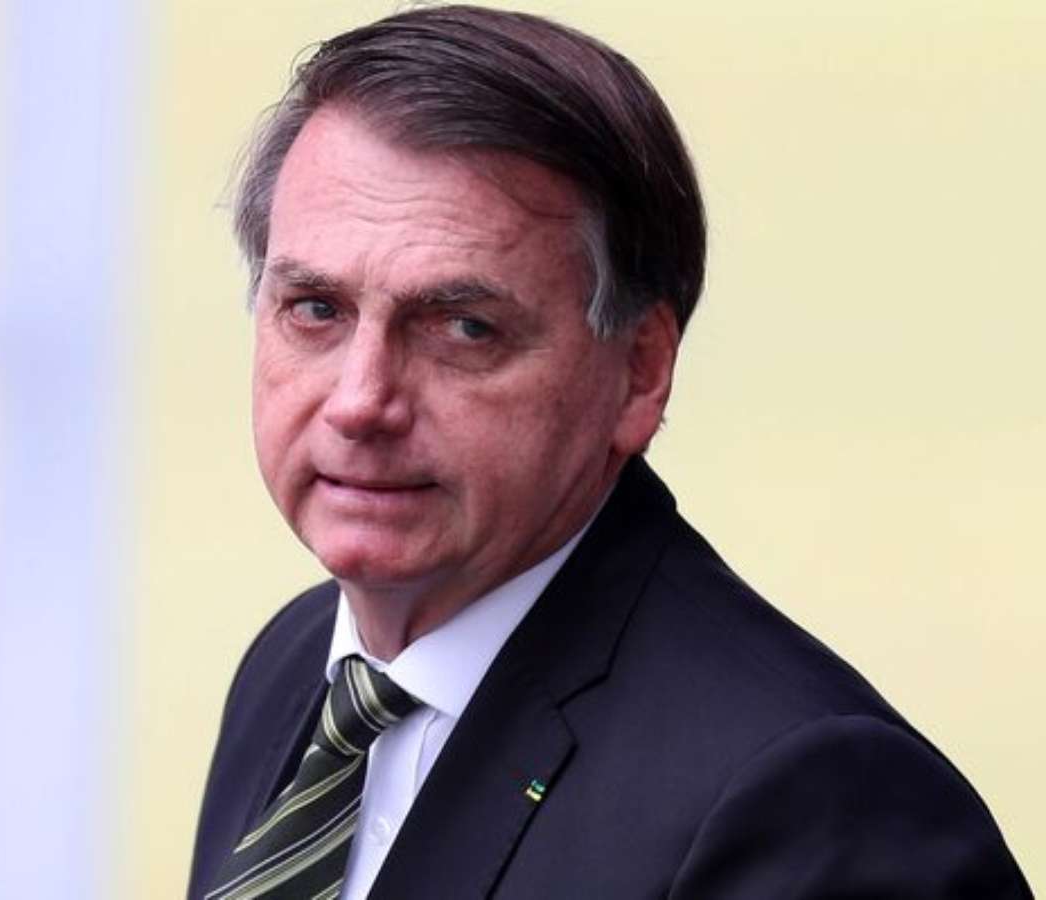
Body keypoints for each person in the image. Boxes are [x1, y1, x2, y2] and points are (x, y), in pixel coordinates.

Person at [189, 6, 1032, 899]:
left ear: (639, 371)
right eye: (316, 310)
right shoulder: (294, 667)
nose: (361, 402)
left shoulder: (817, 807)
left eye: (464, 328)